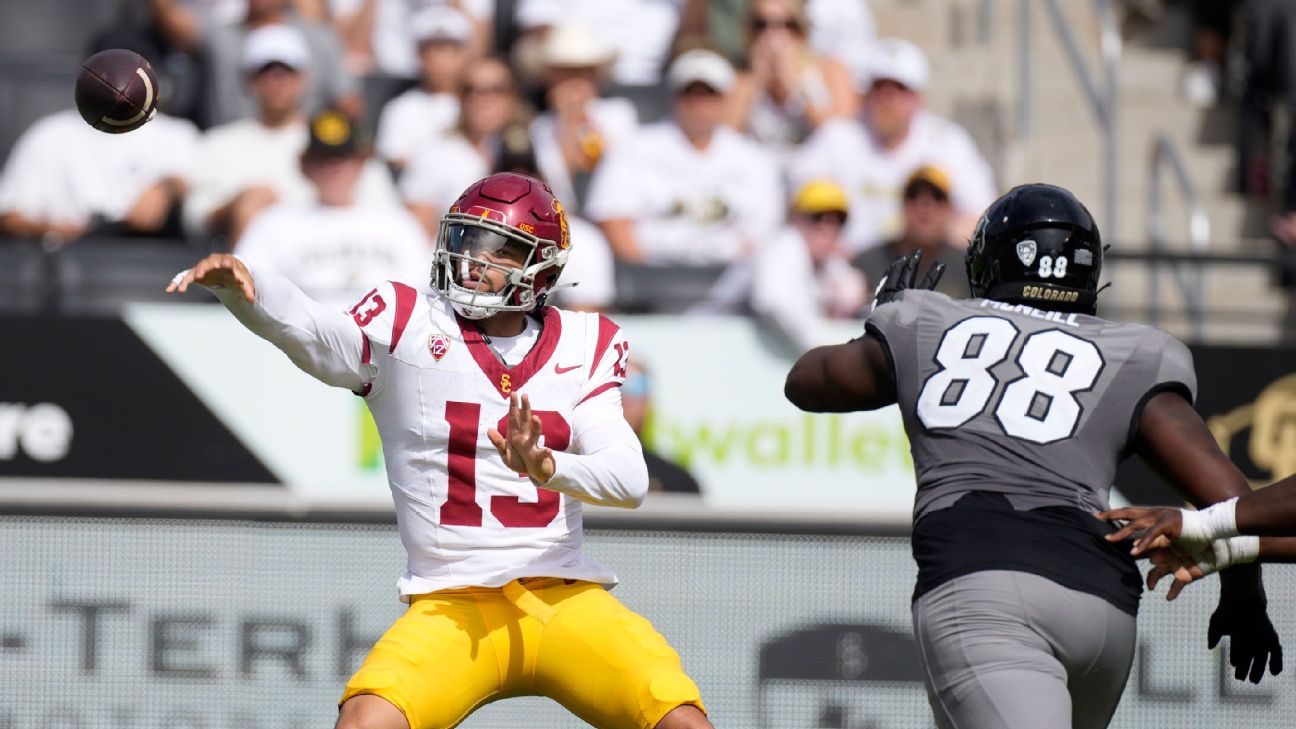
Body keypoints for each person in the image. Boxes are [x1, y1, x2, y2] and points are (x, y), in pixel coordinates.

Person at [166, 172, 712, 729]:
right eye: (467, 240)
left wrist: (547, 466)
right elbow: (314, 332)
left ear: (541, 267)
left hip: (563, 596)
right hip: (452, 604)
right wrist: (250, 285)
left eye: (498, 249)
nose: (474, 260)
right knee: (364, 722)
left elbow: (628, 480)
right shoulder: (407, 320)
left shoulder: (586, 342)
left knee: (681, 721)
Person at [783, 183, 1283, 728]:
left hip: (985, 592)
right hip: (1102, 612)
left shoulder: (925, 322)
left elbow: (806, 382)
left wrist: (879, 334)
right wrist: (1244, 599)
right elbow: (1232, 502)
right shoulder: (1133, 351)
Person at [184, 23, 398, 243]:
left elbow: (385, 209)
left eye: (286, 72)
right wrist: (238, 205)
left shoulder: (337, 140)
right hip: (262, 260)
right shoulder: (218, 143)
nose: (276, 82)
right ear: (248, 80)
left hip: (337, 253)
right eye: (265, 72)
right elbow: (194, 216)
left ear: (304, 78)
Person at [788, 37, 995, 251]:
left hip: (923, 268)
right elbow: (800, 201)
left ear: (919, 98)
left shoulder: (947, 142)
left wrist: (931, 232)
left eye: (900, 89)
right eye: (880, 87)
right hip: (851, 268)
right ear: (866, 94)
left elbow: (980, 218)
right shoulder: (837, 137)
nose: (889, 99)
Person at [585, 49, 782, 266]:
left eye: (709, 94)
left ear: (725, 100)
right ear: (674, 98)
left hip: (732, 282)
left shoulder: (753, 159)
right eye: (690, 94)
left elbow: (764, 235)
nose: (700, 105)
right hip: (653, 279)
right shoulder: (634, 150)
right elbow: (614, 221)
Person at [235, 109, 433, 308]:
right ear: (304, 166)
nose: (333, 167)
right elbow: (248, 290)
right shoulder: (273, 223)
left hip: (384, 332)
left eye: (343, 157)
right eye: (322, 158)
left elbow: (422, 291)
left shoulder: (398, 223)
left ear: (361, 163)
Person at [0, 106, 197, 242]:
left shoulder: (176, 134)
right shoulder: (51, 133)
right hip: (74, 268)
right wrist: (51, 231)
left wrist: (167, 189)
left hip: (153, 267)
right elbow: (9, 215)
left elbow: (205, 198)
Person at [401, 57, 524, 235]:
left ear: (513, 97)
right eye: (470, 90)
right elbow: (417, 233)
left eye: (495, 90)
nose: (481, 99)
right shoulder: (434, 154)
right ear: (459, 97)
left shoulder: (533, 147)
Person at [725, 0, 855, 163]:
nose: (772, 35)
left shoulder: (830, 70)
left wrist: (794, 87)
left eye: (787, 24)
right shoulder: (740, 79)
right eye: (761, 25)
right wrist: (756, 82)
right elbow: (723, 141)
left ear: (802, 30)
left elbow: (840, 138)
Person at [528, 23, 638, 215]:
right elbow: (556, 191)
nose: (573, 82)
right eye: (564, 74)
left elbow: (618, 174)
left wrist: (582, 117)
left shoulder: (620, 113)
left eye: (581, 73)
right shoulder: (539, 128)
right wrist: (568, 123)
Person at [751, 179, 868, 351]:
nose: (828, 227)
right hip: (719, 338)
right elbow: (775, 301)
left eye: (838, 220)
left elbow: (851, 293)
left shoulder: (828, 262)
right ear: (796, 218)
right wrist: (821, 347)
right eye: (817, 217)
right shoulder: (784, 245)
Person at [373, 6, 472, 171]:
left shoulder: (479, 100)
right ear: (419, 55)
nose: (439, 60)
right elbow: (393, 160)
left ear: (463, 55)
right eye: (430, 51)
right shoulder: (401, 109)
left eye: (448, 51)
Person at [852, 165, 970, 302]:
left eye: (937, 197)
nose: (925, 205)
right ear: (902, 206)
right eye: (913, 195)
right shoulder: (866, 265)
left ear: (949, 209)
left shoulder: (968, 269)